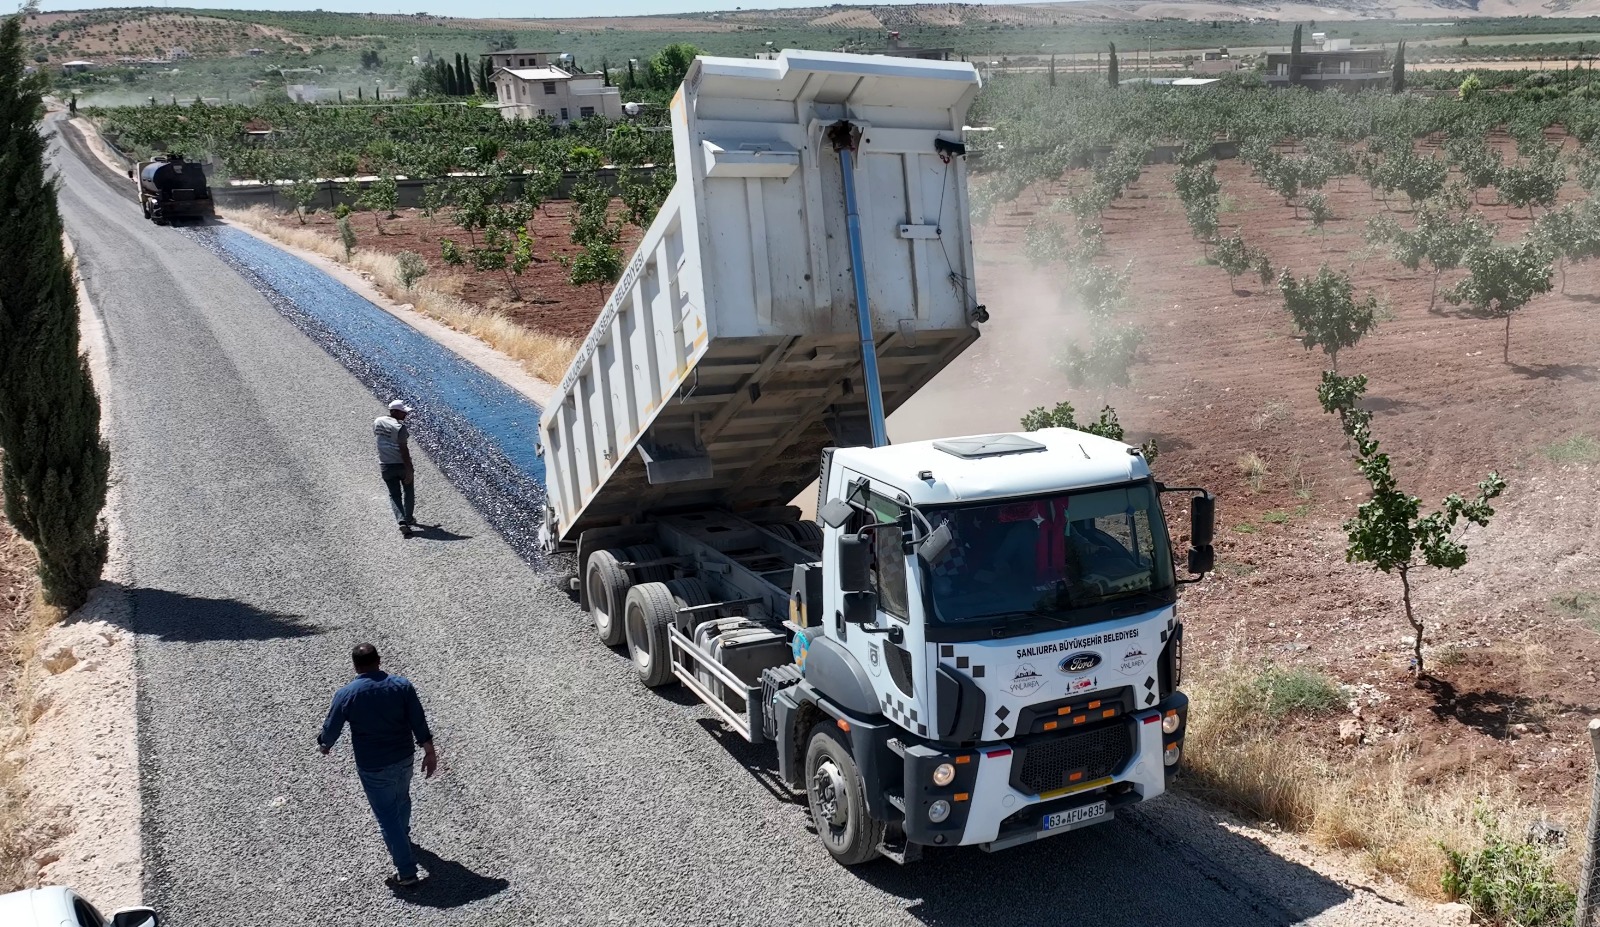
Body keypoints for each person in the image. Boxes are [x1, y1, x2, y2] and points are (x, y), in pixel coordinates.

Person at [317, 643, 440, 889]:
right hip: (404, 757)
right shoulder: (401, 686)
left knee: (386, 816)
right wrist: (429, 750)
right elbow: (418, 718)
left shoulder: (347, 694)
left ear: (355, 665)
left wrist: (324, 744)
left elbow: (331, 728)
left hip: (373, 765)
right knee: (402, 799)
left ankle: (406, 872)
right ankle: (402, 837)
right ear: (379, 660)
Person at [375, 399, 415, 536]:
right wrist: (409, 469)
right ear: (394, 412)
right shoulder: (400, 428)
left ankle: (401, 520)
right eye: (403, 412)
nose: (406, 415)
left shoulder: (378, 422)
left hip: (386, 465)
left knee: (394, 495)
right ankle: (408, 518)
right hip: (401, 465)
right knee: (408, 491)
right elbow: (404, 450)